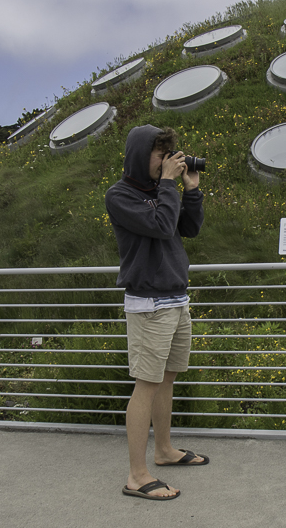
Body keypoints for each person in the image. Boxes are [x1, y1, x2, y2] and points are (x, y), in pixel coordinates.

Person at [105, 124, 208, 500]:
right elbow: (162, 225)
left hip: (176, 298)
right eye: (159, 154)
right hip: (148, 304)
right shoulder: (120, 195)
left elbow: (188, 230)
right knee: (146, 385)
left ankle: (164, 451)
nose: (167, 161)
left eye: (170, 154)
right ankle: (136, 475)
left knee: (168, 378)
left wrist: (190, 191)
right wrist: (168, 184)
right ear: (139, 154)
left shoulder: (161, 191)